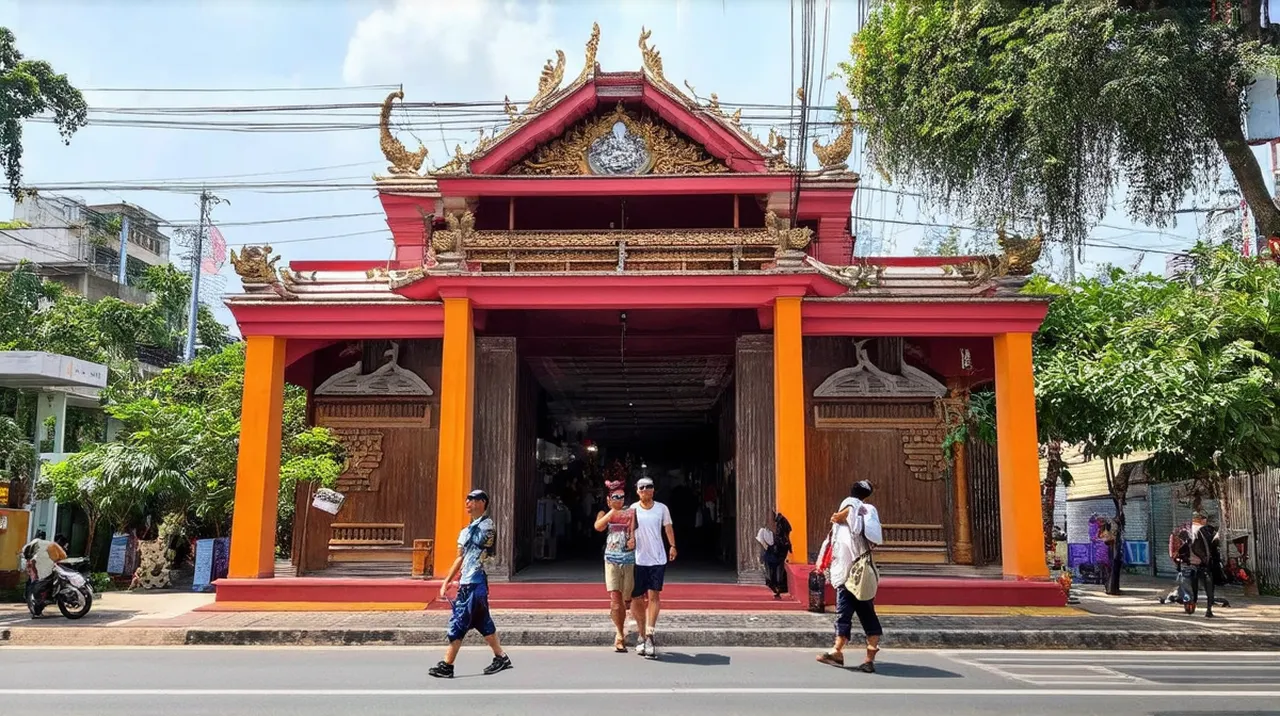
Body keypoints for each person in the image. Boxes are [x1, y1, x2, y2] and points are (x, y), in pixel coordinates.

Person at [429, 489, 513, 678]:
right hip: (468, 581)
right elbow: (460, 557)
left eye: (472, 499)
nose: (467, 502)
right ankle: (501, 657)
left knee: (459, 622)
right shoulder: (466, 530)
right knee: (482, 622)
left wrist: (467, 535)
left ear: (482, 502)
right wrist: (447, 581)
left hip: (475, 582)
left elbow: (483, 544)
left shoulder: (486, 526)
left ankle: (447, 664)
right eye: (467, 499)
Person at [816, 480, 884, 673]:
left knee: (849, 614)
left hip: (856, 574)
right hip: (847, 573)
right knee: (858, 614)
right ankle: (856, 656)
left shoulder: (864, 511)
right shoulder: (845, 518)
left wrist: (846, 513)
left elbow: (866, 530)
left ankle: (843, 653)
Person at [630, 476, 676, 660]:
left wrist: (672, 545)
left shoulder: (662, 508)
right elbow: (628, 530)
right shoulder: (632, 509)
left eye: (648, 487)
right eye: (641, 487)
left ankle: (649, 635)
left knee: (653, 595)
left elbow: (668, 528)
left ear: (653, 490)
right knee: (636, 597)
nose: (645, 490)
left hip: (657, 558)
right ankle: (641, 633)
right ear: (637, 491)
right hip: (638, 558)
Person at [594, 479, 637, 652]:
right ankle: (619, 634)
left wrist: (633, 540)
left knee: (627, 598)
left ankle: (625, 622)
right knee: (615, 597)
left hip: (628, 559)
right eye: (615, 497)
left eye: (622, 497)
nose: (619, 500)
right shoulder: (604, 513)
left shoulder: (631, 513)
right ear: (608, 499)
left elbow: (634, 531)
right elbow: (598, 526)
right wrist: (612, 511)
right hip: (612, 559)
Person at [22, 530, 67, 616]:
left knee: (37, 586)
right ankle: (38, 606)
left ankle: (38, 606)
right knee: (39, 587)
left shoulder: (35, 546)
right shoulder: (46, 546)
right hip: (41, 571)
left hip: (38, 571)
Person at [1187, 511, 1223, 619]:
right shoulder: (1202, 530)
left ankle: (1192, 607)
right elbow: (1197, 546)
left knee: (1193, 588)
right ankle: (1208, 610)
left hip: (1191, 563)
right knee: (1209, 588)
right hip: (1203, 564)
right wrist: (1204, 558)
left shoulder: (1188, 529)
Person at [756, 513, 792, 598]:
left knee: (778, 574)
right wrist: (767, 548)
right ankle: (775, 588)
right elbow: (761, 542)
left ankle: (778, 589)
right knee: (771, 575)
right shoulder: (763, 531)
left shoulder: (780, 528)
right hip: (770, 554)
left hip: (778, 555)